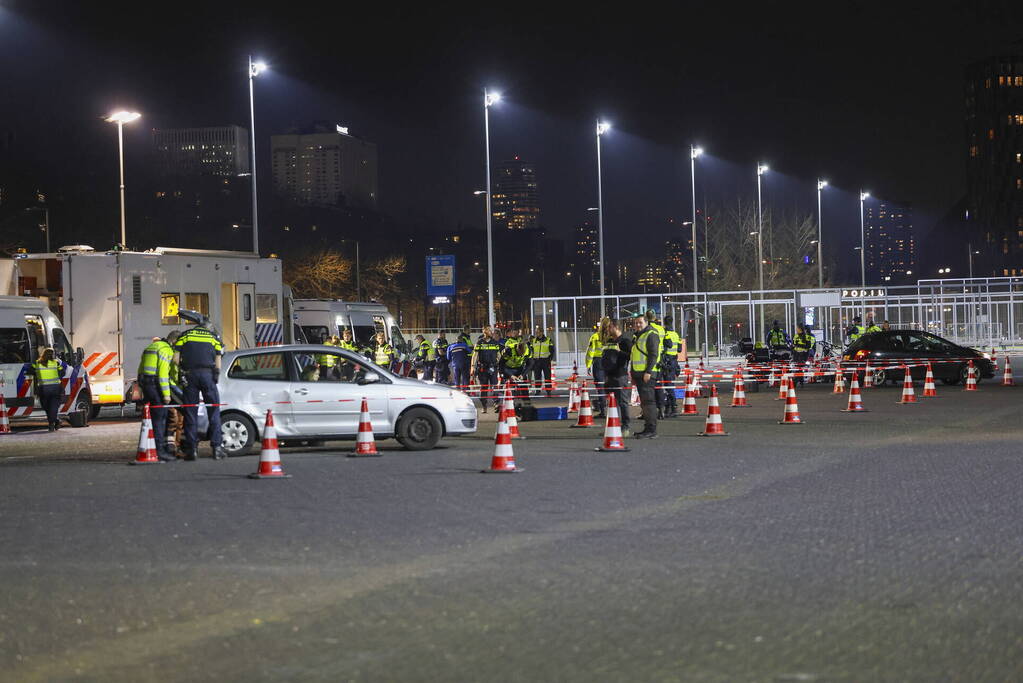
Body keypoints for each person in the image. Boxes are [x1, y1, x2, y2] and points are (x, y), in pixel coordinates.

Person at [172, 322, 225, 460]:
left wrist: (184, 367)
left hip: (190, 376)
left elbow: (175, 359)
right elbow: (218, 359)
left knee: (191, 413)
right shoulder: (213, 338)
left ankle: (192, 451)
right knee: (214, 412)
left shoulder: (185, 336)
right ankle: (217, 449)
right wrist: (216, 374)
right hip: (208, 376)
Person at [137, 334, 178, 461]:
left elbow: (140, 368)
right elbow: (163, 375)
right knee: (160, 417)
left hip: (146, 383)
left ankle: (156, 448)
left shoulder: (152, 346)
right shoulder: (165, 350)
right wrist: (166, 395)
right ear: (174, 342)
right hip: (155, 384)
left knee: (155, 417)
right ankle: (160, 451)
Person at [630, 314, 661, 438]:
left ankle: (651, 430)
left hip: (647, 374)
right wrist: (633, 374)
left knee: (648, 403)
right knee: (645, 403)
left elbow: (654, 354)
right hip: (639, 374)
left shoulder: (651, 334)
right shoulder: (638, 335)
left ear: (646, 322)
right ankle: (647, 428)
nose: (637, 325)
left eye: (640, 322)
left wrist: (648, 371)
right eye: (636, 323)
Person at [601, 321, 632, 436]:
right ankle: (613, 426)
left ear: (616, 327)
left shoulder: (625, 341)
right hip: (609, 375)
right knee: (611, 403)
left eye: (610, 327)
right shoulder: (609, 341)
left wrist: (620, 352)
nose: (607, 329)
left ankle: (625, 427)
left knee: (622, 402)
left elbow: (631, 356)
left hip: (620, 375)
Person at [471, 326, 502, 413]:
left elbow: (499, 355)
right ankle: (484, 406)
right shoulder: (479, 342)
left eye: (491, 330)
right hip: (482, 369)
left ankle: (496, 404)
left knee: (494, 386)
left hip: (493, 368)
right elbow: (475, 355)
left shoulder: (495, 343)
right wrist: (473, 367)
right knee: (483, 388)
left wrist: (499, 365)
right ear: (484, 331)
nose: (491, 332)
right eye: (489, 330)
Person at [32, 347, 64, 432]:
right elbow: (62, 373)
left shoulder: (37, 363)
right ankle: (55, 421)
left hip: (43, 389)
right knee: (53, 407)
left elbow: (31, 370)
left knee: (46, 407)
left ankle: (52, 423)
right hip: (55, 388)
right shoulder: (56, 363)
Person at [587, 318, 611, 417]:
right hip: (610, 362)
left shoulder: (595, 336)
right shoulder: (612, 336)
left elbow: (590, 351)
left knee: (600, 387)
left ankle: (603, 411)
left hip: (598, 363)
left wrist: (588, 364)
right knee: (611, 386)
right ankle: (613, 410)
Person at [645, 311, 667, 418]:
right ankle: (661, 409)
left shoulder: (646, 329)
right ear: (655, 317)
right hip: (659, 361)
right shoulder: (661, 329)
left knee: (648, 389)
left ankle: (649, 412)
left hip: (648, 362)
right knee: (659, 386)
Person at [660, 315, 682, 417]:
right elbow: (679, 349)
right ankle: (669, 409)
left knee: (668, 386)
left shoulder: (665, 333)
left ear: (664, 322)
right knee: (670, 385)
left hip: (666, 361)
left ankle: (673, 408)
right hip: (673, 362)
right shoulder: (676, 334)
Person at [528, 325, 554, 397]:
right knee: (537, 376)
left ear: (542, 332)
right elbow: (531, 351)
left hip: (545, 361)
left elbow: (552, 351)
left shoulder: (548, 340)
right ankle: (537, 390)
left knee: (547, 376)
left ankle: (548, 391)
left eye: (538, 332)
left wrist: (549, 359)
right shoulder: (534, 341)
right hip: (536, 361)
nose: (536, 333)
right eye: (536, 332)